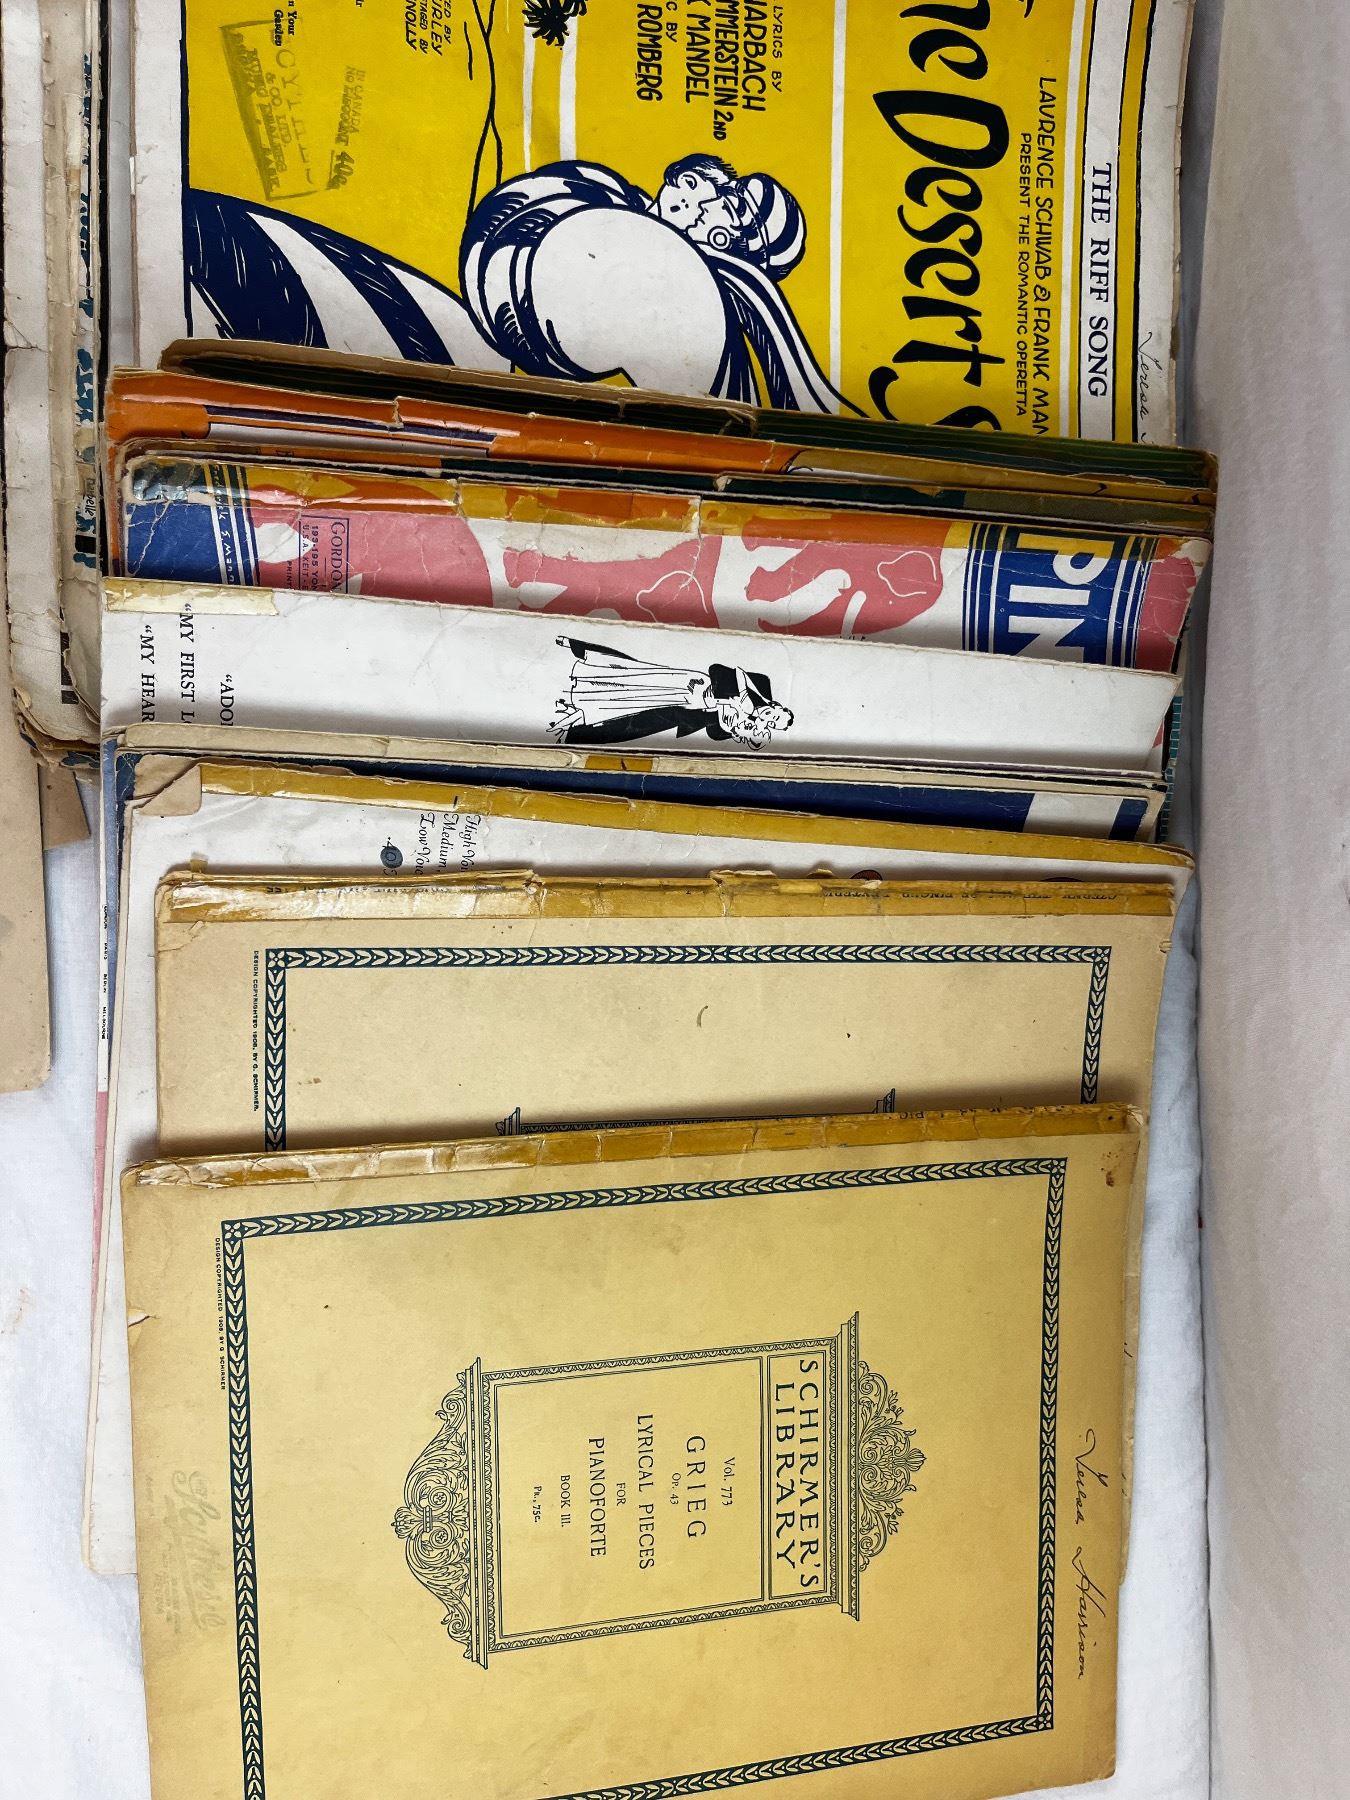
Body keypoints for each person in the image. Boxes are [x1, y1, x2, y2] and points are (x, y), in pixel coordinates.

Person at [550, 637, 794, 747]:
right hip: (694, 685)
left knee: (633, 717)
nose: (770, 719)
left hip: (688, 715)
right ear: (777, 707)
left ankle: (576, 728)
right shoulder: (762, 685)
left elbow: (714, 734)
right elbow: (723, 669)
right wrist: (738, 697)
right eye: (776, 715)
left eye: (774, 724)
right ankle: (582, 652)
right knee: (640, 674)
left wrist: (729, 725)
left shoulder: (750, 727)